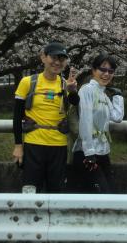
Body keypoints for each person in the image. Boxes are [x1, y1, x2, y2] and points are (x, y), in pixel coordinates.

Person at [12, 41, 79, 193]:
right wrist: (18, 146)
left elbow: (76, 102)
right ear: (43, 57)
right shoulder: (28, 82)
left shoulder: (66, 84)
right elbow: (17, 117)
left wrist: (73, 91)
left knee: (57, 191)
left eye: (61, 59)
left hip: (59, 146)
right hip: (33, 144)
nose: (57, 62)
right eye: (53, 58)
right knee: (30, 190)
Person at [72, 53, 124, 193]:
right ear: (94, 70)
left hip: (103, 151)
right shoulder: (87, 90)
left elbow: (117, 117)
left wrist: (118, 96)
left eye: (110, 71)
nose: (106, 74)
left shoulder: (104, 94)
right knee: (101, 194)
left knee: (110, 193)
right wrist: (89, 153)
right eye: (103, 69)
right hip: (87, 154)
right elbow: (85, 121)